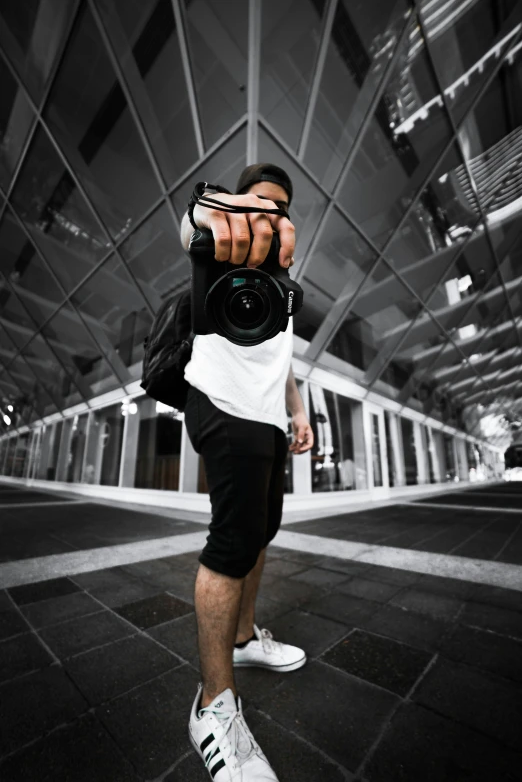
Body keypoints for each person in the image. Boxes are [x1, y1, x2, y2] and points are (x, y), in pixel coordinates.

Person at [180, 163, 314, 781]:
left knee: (262, 530)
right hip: (222, 399)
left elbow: (279, 350)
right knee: (233, 539)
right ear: (242, 199)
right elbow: (192, 226)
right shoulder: (221, 240)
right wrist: (217, 211)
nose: (273, 213)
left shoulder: (281, 280)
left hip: (266, 415)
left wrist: (297, 410)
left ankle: (241, 639)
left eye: (282, 206)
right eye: (263, 201)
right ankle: (213, 706)